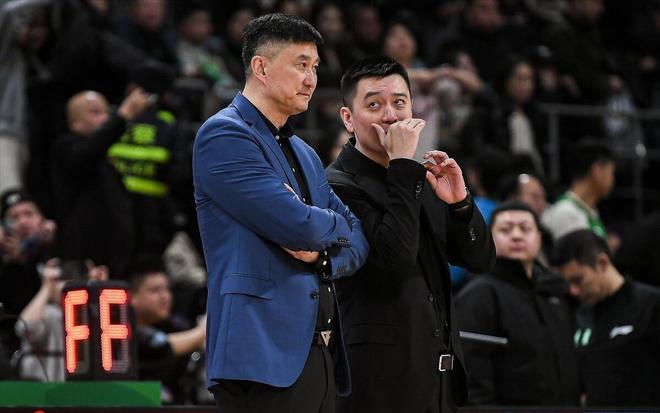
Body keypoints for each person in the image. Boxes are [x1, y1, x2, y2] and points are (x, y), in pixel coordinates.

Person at [192, 14, 369, 413]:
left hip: (318, 354)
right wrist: (328, 223)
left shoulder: (304, 152)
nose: (311, 79)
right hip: (259, 354)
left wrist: (324, 256)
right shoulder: (224, 134)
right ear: (261, 68)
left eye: (315, 67)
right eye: (301, 65)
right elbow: (300, 226)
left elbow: (359, 238)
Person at [326, 55, 495, 413]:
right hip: (377, 384)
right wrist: (402, 164)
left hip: (438, 379)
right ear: (348, 118)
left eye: (400, 103)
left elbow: (480, 260)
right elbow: (396, 258)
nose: (391, 115)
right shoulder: (336, 186)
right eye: (374, 104)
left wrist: (460, 204)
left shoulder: (419, 178)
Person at [455, 202, 580, 406]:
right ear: (490, 237)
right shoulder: (480, 294)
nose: (516, 236)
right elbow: (472, 373)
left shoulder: (555, 290)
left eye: (525, 228)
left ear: (539, 238)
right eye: (505, 229)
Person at [51, 88, 151, 276]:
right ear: (74, 122)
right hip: (82, 263)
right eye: (95, 112)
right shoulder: (65, 148)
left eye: (107, 112)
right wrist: (122, 117)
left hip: (114, 262)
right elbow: (84, 155)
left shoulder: (105, 159)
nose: (105, 118)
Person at [554, 229, 660, 406]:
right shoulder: (581, 316)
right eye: (568, 283)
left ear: (602, 263)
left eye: (578, 280)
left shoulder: (651, 305)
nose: (573, 290)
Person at [127, 260, 206, 404]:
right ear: (132, 297)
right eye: (155, 290)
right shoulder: (122, 333)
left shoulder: (178, 325)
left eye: (167, 289)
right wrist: (202, 331)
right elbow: (163, 346)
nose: (165, 297)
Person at [0, 189, 56, 355]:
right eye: (14, 218)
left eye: (28, 214)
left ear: (42, 219)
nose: (23, 222)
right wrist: (13, 262)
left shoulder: (55, 249)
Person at [541, 140, 615, 242]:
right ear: (597, 171)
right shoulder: (566, 213)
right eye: (611, 173)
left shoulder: (587, 210)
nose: (612, 180)